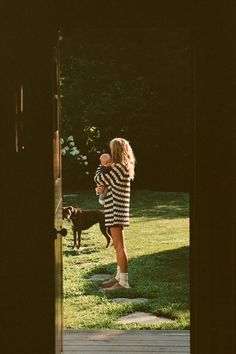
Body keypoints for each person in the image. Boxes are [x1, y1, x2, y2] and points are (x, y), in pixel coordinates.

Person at [94, 138, 135, 291]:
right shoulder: (119, 167)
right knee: (116, 246)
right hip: (114, 208)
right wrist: (100, 189)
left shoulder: (119, 168)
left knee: (119, 246)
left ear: (116, 151)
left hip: (116, 210)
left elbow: (98, 178)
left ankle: (124, 283)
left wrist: (101, 165)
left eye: (111, 149)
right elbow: (105, 185)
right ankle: (118, 278)